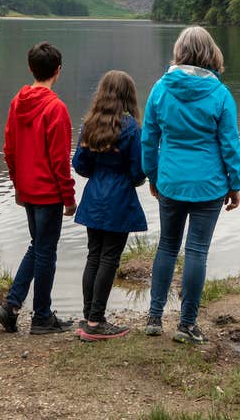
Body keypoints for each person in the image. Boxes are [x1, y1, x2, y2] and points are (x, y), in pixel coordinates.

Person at [142, 26, 240, 345]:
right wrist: (235, 183)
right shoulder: (220, 94)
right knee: (197, 251)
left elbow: (149, 138)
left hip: (171, 180)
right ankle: (186, 325)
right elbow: (229, 144)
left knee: (167, 247)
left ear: (179, 50)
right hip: (209, 184)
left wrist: (153, 175)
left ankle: (154, 318)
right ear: (210, 52)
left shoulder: (161, 88)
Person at [0, 42, 76, 335]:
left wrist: (17, 184)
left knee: (38, 247)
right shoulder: (56, 108)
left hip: (28, 190)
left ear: (31, 69)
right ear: (58, 71)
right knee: (45, 251)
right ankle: (40, 316)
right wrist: (69, 197)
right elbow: (59, 162)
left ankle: (12, 306)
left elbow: (9, 149)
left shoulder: (18, 102)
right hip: (49, 193)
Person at [71, 70, 148, 341]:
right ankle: (96, 321)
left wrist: (100, 173)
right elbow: (139, 171)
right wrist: (126, 179)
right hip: (118, 198)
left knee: (94, 255)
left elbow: (79, 164)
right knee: (109, 258)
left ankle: (88, 317)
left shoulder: (89, 124)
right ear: (129, 96)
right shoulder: (130, 128)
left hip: (93, 197)